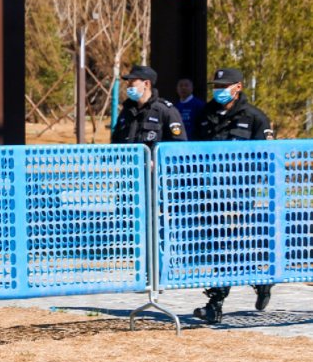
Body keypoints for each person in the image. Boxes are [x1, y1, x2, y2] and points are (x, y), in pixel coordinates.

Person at [191, 67, 275, 324]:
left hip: (238, 195)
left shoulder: (255, 117)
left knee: (226, 246)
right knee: (222, 246)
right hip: (207, 194)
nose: (218, 90)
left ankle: (215, 304)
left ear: (237, 87)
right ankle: (259, 280)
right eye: (216, 86)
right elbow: (193, 151)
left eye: (224, 86)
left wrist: (246, 183)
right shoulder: (204, 114)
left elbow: (267, 158)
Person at [111, 65, 186, 149]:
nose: (128, 86)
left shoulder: (165, 111)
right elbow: (115, 143)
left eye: (132, 82)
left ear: (146, 84)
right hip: (129, 162)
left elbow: (179, 147)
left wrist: (157, 161)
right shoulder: (127, 111)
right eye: (128, 82)